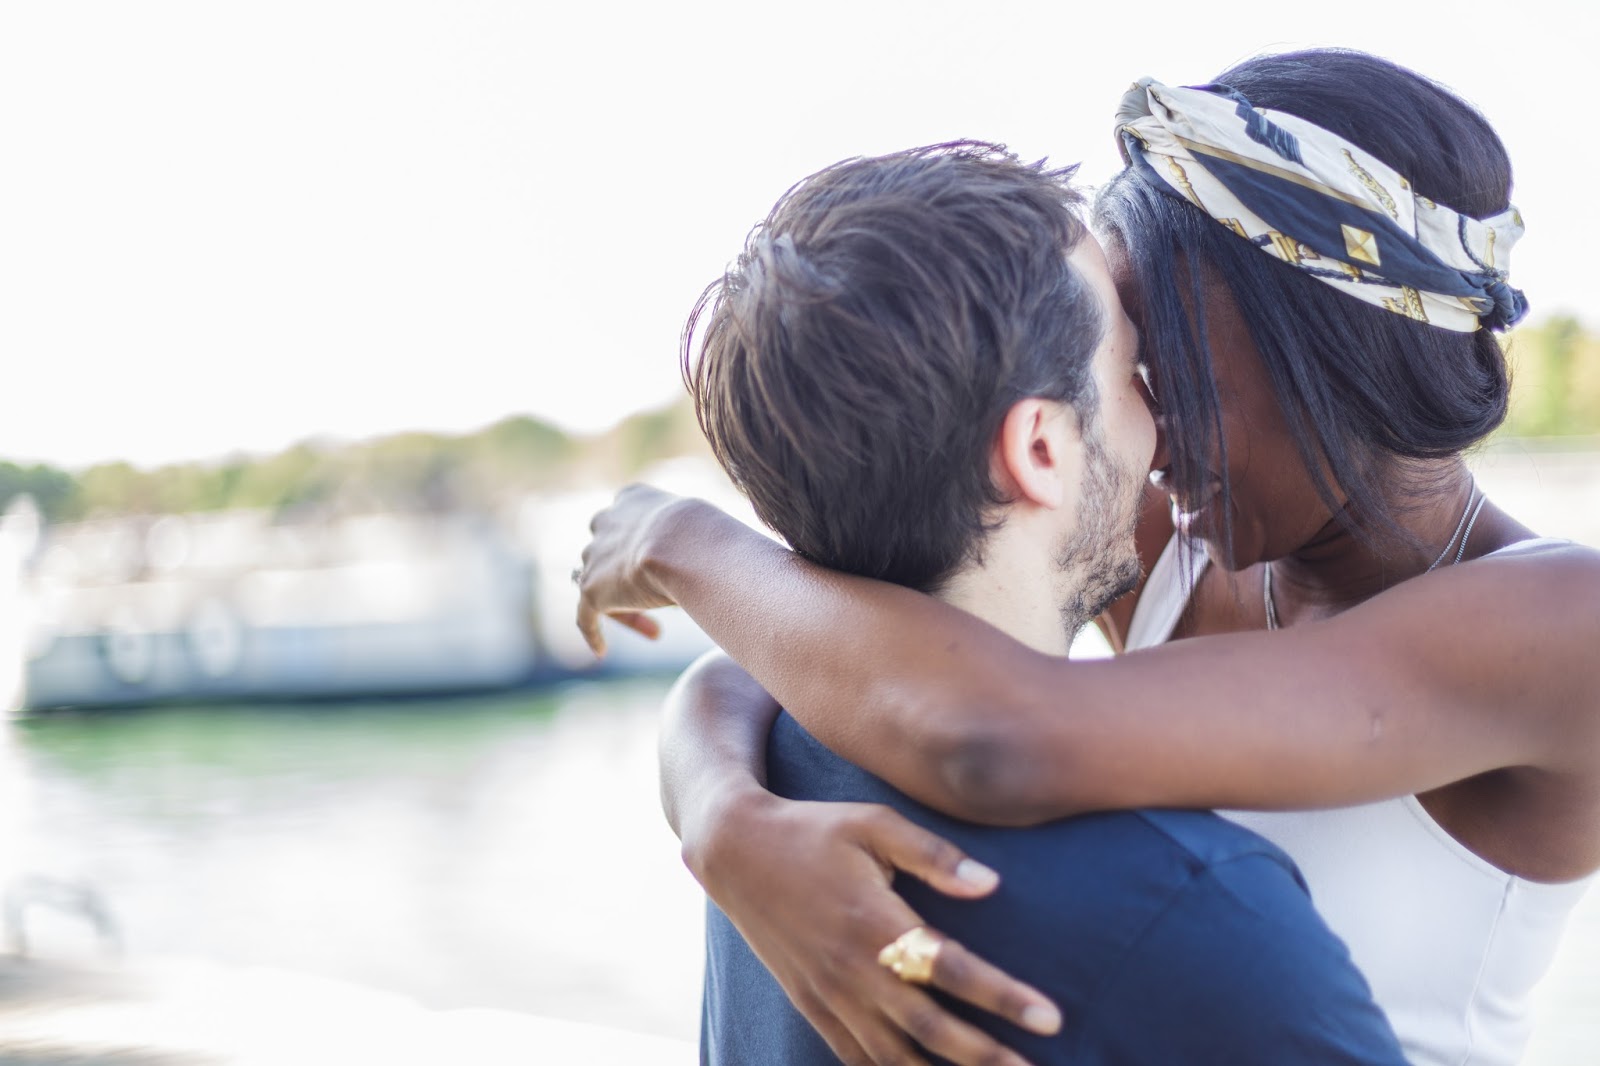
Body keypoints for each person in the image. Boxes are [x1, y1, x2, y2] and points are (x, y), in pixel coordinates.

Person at [575, 49, 1600, 1066]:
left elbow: (990, 731)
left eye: (1162, 356)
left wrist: (681, 541)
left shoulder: (1561, 624)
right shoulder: (1188, 533)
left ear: (1318, 343)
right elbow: (839, 643)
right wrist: (722, 811)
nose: (1144, 421)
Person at [664, 140, 1405, 1066]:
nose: (1161, 416)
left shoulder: (775, 768)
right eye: (1131, 368)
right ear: (1042, 451)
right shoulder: (1200, 907)